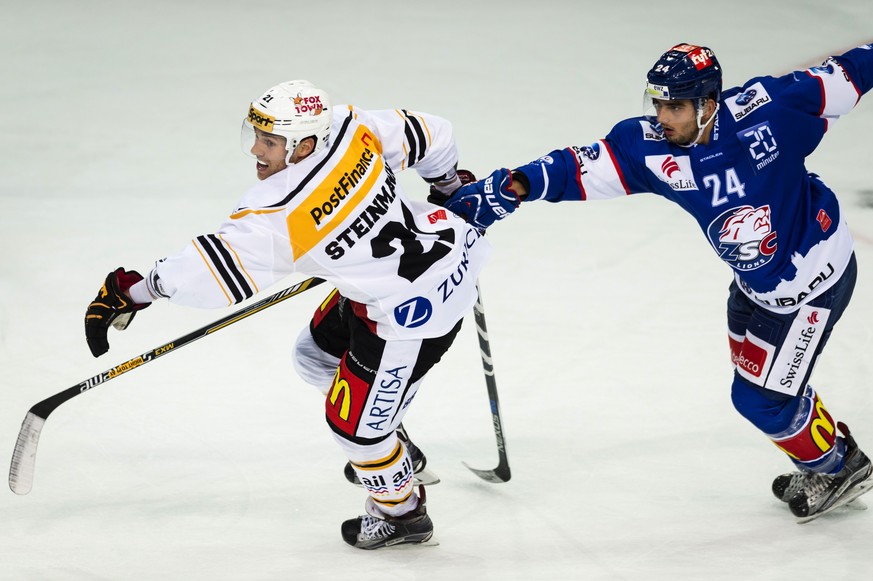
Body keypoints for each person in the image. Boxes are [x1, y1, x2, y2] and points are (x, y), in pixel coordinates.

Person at [434, 43, 873, 520]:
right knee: (763, 383)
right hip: (753, 284)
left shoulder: (772, 108)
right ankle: (819, 443)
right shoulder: (650, 147)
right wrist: (509, 188)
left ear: (707, 103)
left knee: (760, 399)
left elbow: (851, 71)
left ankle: (839, 465)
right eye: (657, 102)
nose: (662, 115)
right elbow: (578, 166)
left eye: (675, 105)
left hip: (815, 280)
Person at [84, 80, 490, 548]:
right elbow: (430, 134)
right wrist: (449, 184)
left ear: (305, 143)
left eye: (270, 141)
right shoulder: (349, 128)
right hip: (437, 254)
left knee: (356, 434)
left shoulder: (276, 214)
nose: (256, 150)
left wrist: (132, 291)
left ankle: (403, 514)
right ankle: (393, 442)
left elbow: (207, 272)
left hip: (410, 318)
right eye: (255, 134)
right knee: (313, 355)